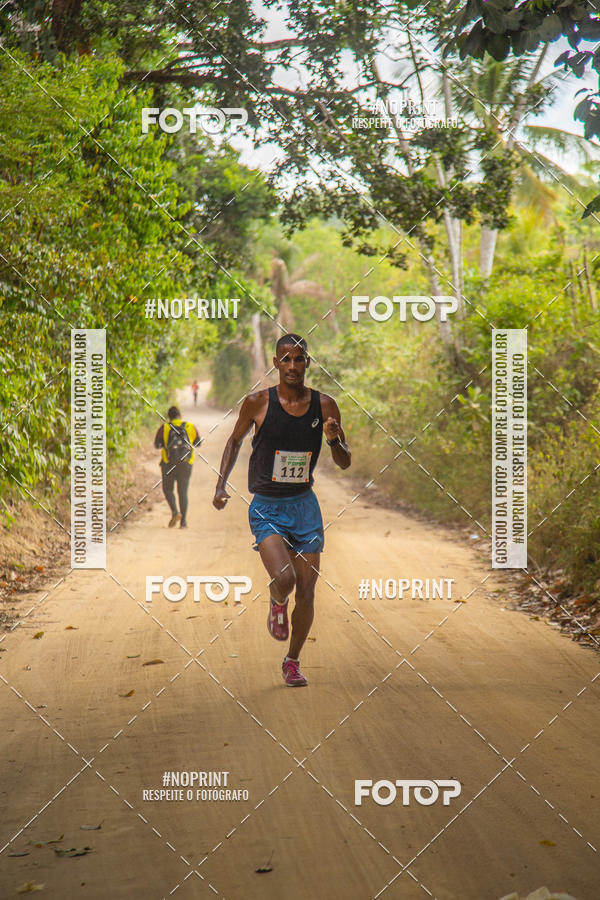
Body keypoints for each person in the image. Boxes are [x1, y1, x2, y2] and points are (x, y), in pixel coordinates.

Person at [212, 334, 351, 687]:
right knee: (286, 580)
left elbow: (344, 462)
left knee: (306, 590)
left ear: (308, 363)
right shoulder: (258, 402)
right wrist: (220, 485)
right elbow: (233, 442)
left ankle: (292, 661)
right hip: (267, 507)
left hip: (304, 506)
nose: (292, 366)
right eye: (285, 360)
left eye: (299, 359)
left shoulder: (325, 405)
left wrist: (334, 439)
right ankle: (276, 600)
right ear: (275, 364)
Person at [154, 406, 202, 529]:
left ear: (169, 416)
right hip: (186, 463)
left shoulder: (164, 427)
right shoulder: (190, 426)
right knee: (183, 491)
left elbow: (157, 444)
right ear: (180, 415)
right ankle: (184, 522)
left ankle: (175, 512)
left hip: (168, 463)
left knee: (168, 489)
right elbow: (198, 443)